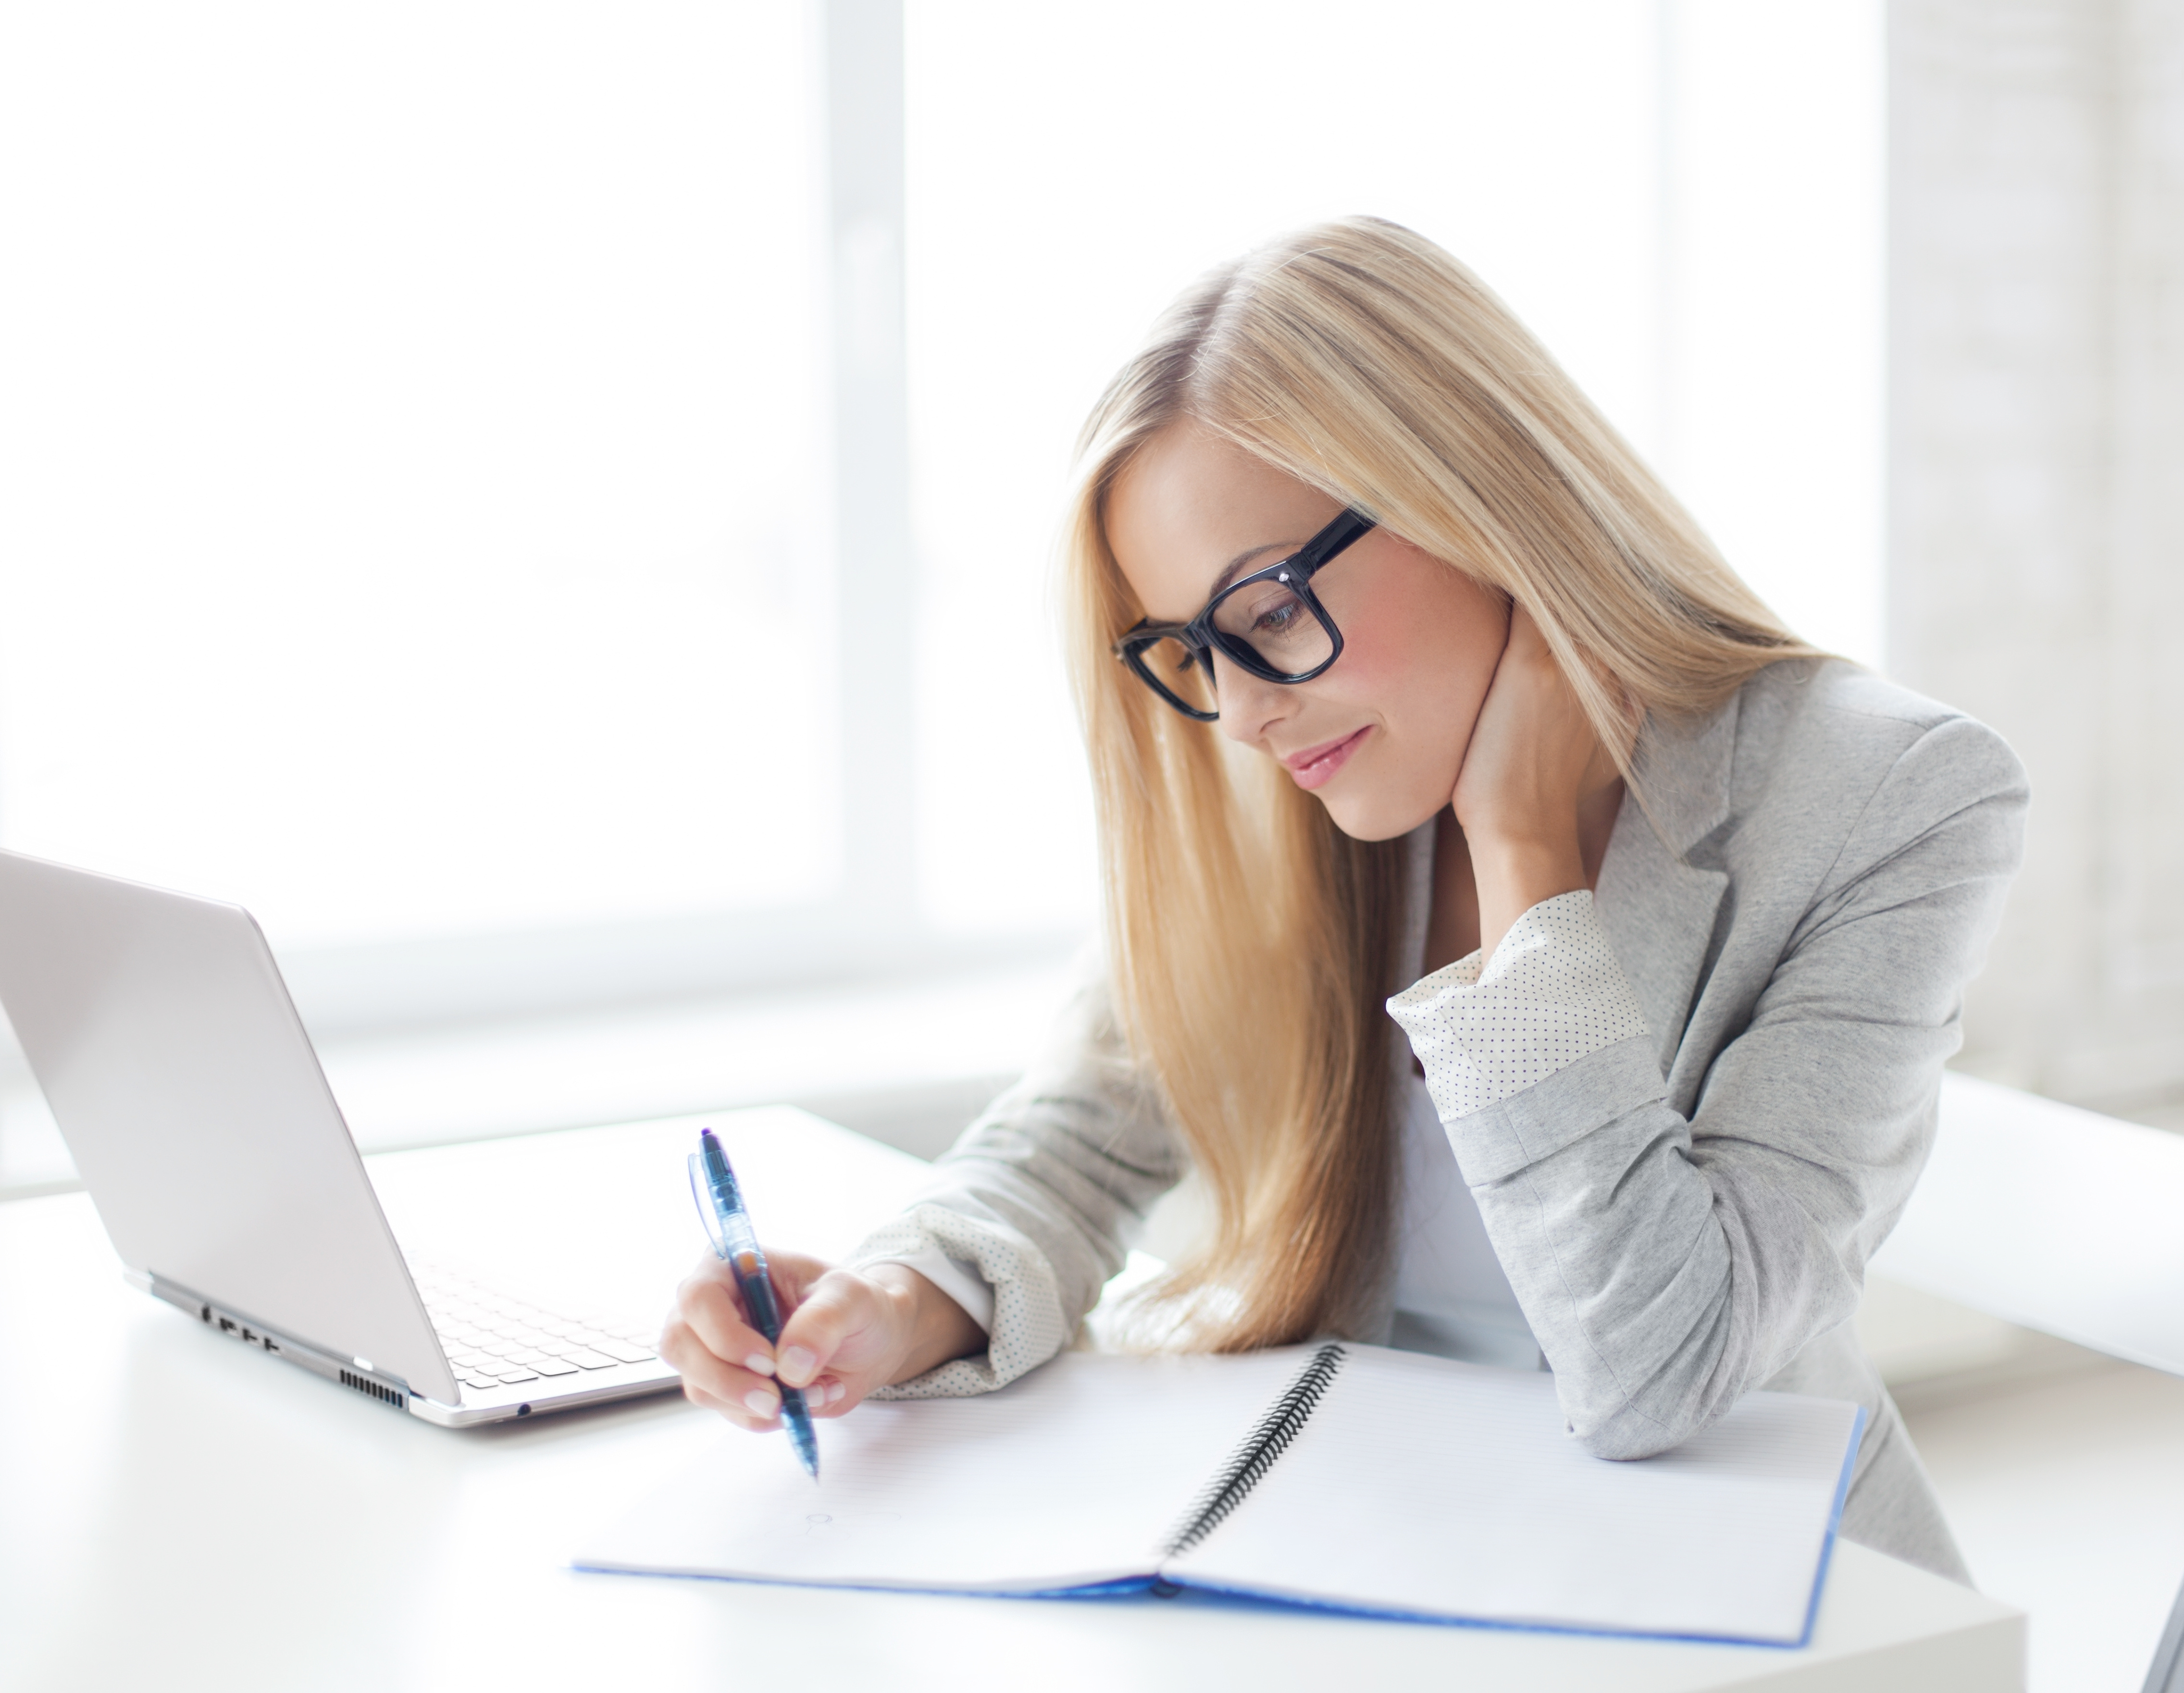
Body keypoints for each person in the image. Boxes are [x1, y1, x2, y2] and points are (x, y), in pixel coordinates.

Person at [659, 217, 2025, 1581]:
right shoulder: (1289, 791)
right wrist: (900, 1299)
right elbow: (1074, 1140)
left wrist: (1523, 851)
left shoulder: (1891, 795)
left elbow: (1660, 1371)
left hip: (1759, 1603)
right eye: (1190, 648)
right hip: (1374, 1554)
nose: (1244, 712)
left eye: (1266, 610)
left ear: (1474, 498)